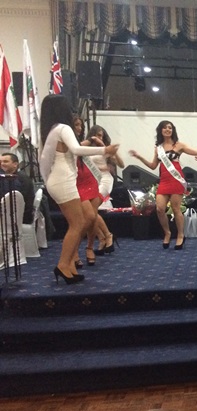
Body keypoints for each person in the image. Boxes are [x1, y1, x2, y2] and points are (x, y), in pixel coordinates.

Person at [38, 94, 119, 284]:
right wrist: (104, 150)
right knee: (77, 224)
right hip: (64, 181)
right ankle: (63, 265)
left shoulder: (50, 130)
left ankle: (69, 265)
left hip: (58, 180)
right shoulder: (63, 128)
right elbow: (76, 149)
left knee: (78, 222)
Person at [130, 121, 197, 250]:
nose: (167, 130)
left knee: (176, 209)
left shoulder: (179, 145)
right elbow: (153, 166)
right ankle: (167, 233)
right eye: (165, 128)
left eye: (170, 128)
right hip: (164, 181)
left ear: (173, 130)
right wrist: (139, 157)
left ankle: (180, 235)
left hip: (176, 180)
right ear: (161, 130)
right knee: (159, 209)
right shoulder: (158, 148)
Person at [77, 125, 124, 265]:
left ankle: (106, 236)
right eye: (97, 135)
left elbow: (121, 164)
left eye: (102, 135)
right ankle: (104, 237)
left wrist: (108, 149)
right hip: (90, 182)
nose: (100, 137)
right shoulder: (85, 149)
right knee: (90, 213)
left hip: (104, 180)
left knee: (91, 212)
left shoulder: (105, 148)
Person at [0, 152, 35, 225]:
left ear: (15, 164)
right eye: (1, 162)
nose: (2, 164)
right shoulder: (5, 177)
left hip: (18, 217)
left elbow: (16, 201)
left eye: (5, 161)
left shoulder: (21, 179)